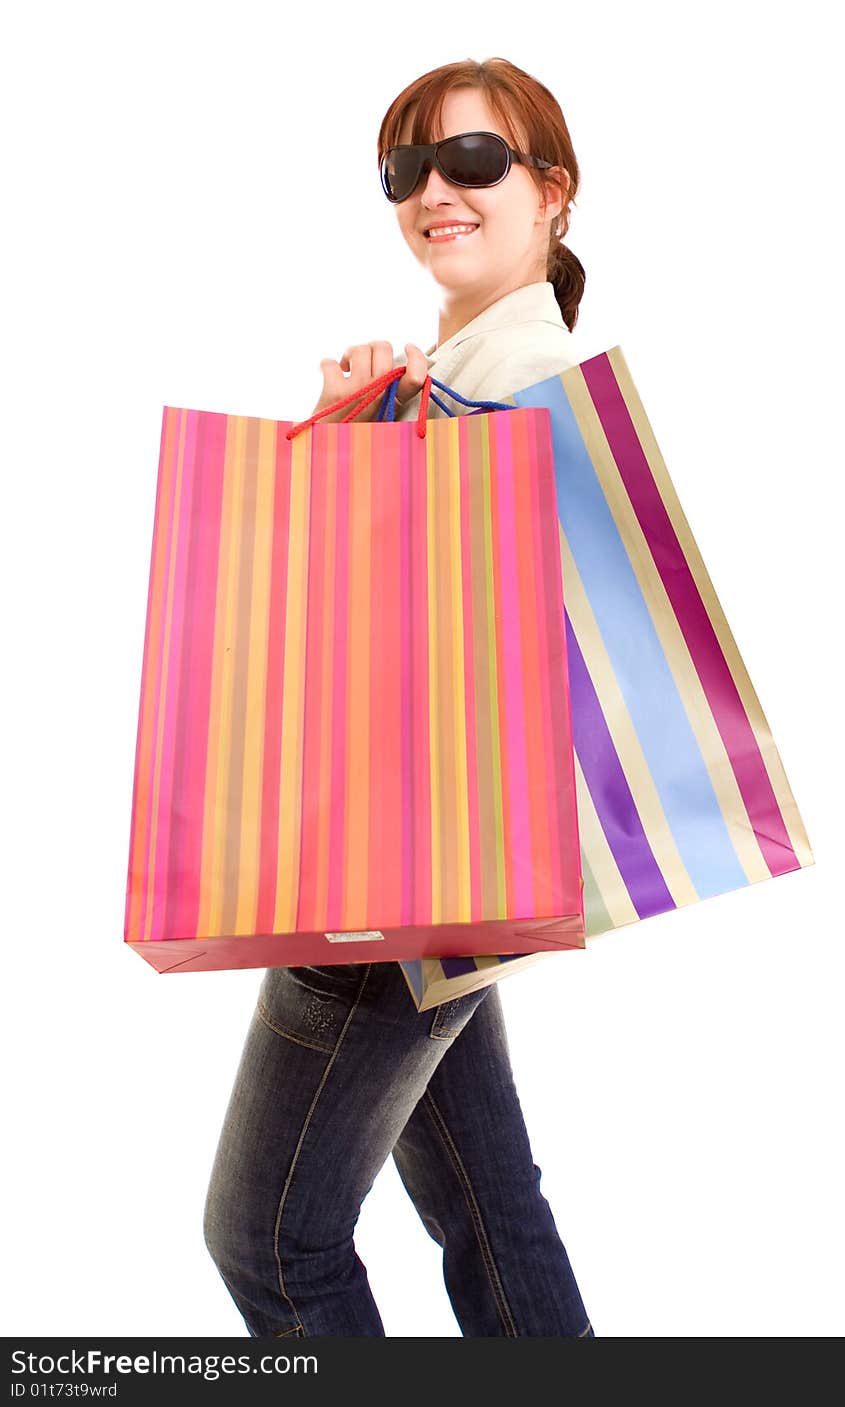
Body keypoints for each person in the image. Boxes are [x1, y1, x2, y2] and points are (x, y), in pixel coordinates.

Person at [202, 57, 595, 1340]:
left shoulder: (506, 382)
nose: (436, 191)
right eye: (407, 169)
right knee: (491, 1209)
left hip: (392, 865)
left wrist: (336, 457)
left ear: (551, 190)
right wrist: (360, 434)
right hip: (454, 872)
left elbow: (383, 642)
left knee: (266, 1239)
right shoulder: (470, 372)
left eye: (473, 162)